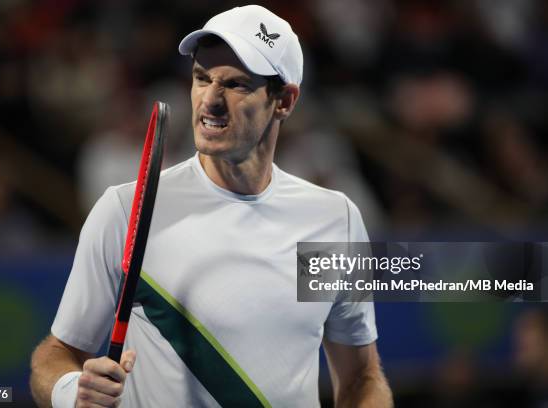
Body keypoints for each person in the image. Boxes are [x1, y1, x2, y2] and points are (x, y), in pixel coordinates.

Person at [30, 5, 392, 407]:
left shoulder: (334, 220)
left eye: (236, 85)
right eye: (202, 78)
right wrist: (71, 391)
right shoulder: (124, 210)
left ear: (285, 101)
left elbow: (362, 377)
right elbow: (55, 356)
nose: (211, 101)